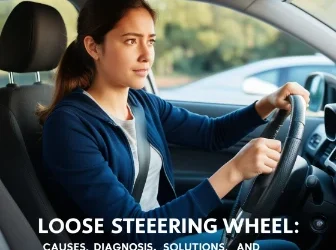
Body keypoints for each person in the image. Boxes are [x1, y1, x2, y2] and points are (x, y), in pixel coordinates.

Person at [38, 0, 310, 249]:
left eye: (151, 41)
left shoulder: (142, 104)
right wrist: (235, 170)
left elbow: (212, 134)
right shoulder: (69, 127)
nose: (147, 55)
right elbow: (133, 232)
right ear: (93, 47)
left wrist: (267, 103)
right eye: (131, 41)